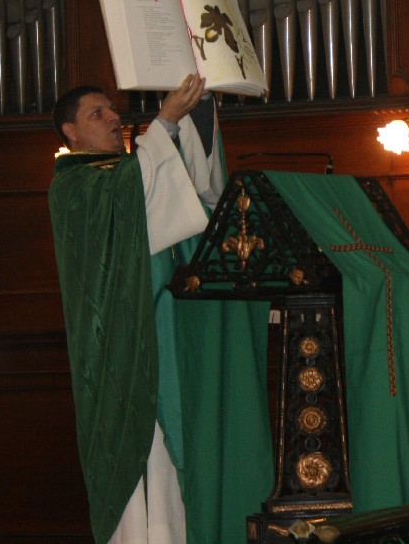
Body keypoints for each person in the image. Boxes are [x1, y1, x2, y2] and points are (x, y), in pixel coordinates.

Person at [49, 75, 272, 544]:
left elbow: (192, 196)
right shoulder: (74, 187)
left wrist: (199, 109)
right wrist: (166, 120)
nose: (114, 118)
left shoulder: (136, 173)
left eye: (113, 110)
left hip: (168, 337)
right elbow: (138, 194)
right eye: (98, 113)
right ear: (70, 132)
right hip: (124, 353)